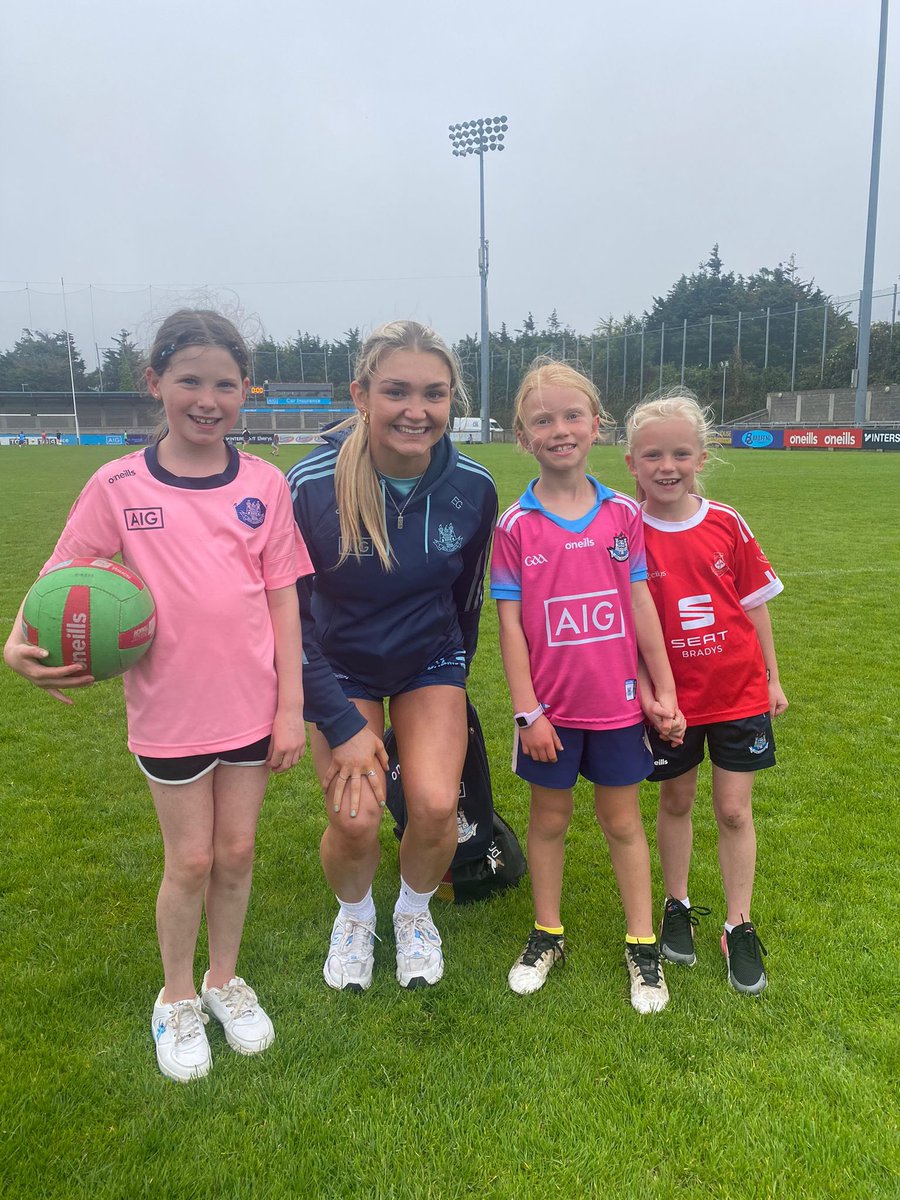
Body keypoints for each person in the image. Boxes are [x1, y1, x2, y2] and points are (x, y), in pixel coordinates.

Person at [3, 309, 311, 1081]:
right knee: (193, 859)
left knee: (237, 852)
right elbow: (60, 573)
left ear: (247, 391)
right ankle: (176, 996)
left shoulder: (265, 485)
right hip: (169, 713)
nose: (207, 400)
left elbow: (282, 601)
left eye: (225, 385)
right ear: (155, 384)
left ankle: (223, 981)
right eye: (189, 381)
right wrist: (17, 641)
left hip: (252, 705)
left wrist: (289, 708)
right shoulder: (117, 483)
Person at [287, 320, 497, 992]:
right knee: (355, 820)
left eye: (434, 394)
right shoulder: (310, 486)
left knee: (436, 807)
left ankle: (412, 913)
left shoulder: (473, 487)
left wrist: (451, 682)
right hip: (336, 667)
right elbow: (285, 622)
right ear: (362, 394)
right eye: (397, 391)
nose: (417, 410)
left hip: (427, 662)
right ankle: (354, 916)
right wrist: (342, 725)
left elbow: (467, 600)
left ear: (451, 400)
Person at [490, 359, 681, 1013]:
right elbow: (510, 629)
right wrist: (526, 713)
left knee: (623, 823)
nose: (560, 429)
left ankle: (642, 944)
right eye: (543, 419)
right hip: (551, 714)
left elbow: (641, 606)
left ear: (596, 425)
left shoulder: (623, 514)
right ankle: (548, 933)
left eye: (573, 415)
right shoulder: (516, 526)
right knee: (549, 821)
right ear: (523, 435)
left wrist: (664, 689)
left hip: (619, 709)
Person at [624, 388, 788, 994]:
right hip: (672, 702)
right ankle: (675, 904)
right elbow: (625, 626)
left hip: (738, 692)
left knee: (734, 809)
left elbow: (754, 607)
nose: (667, 467)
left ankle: (738, 925)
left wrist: (772, 678)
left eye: (681, 454)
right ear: (632, 463)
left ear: (701, 458)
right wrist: (648, 692)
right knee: (675, 803)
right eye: (653, 456)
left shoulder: (726, 523)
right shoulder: (625, 530)